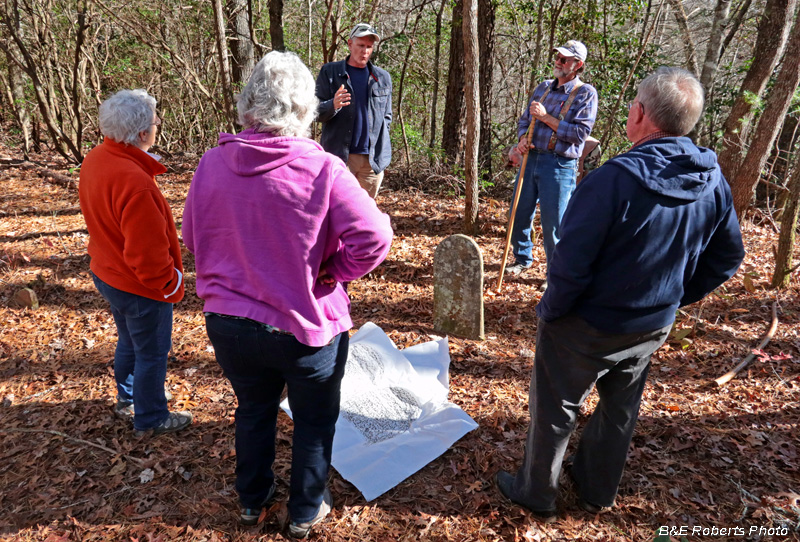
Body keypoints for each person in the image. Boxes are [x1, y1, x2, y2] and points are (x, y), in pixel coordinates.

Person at [496, 67, 745, 521]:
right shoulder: (713, 181)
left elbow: (570, 262)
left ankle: (537, 493)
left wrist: (551, 311)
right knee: (619, 410)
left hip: (587, 325)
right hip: (650, 323)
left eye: (633, 104)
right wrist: (674, 296)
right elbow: (727, 256)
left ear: (641, 114)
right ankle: (595, 490)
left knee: (556, 410)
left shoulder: (613, 179)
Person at [183, 51, 393, 538]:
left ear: (248, 106)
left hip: (230, 324)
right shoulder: (323, 169)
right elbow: (375, 239)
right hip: (305, 327)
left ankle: (250, 500)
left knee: (253, 409)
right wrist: (332, 272)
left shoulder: (212, 164)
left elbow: (193, 240)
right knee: (314, 422)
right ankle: (304, 510)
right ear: (304, 110)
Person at [79, 89, 192, 436]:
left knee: (130, 342)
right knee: (152, 353)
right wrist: (172, 284)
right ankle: (151, 416)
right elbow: (147, 258)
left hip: (108, 272)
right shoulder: (134, 182)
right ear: (143, 134)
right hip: (137, 286)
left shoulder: (97, 157)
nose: (158, 126)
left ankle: (129, 399)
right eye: (156, 122)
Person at [507, 40, 598, 277]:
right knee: (517, 213)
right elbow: (525, 121)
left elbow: (579, 135)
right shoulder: (543, 88)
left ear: (578, 65)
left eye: (564, 59)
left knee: (554, 225)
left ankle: (555, 275)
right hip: (531, 159)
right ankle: (522, 257)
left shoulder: (585, 94)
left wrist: (547, 118)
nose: (558, 62)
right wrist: (522, 139)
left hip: (559, 165)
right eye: (557, 57)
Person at [315, 23, 392, 198]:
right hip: (341, 157)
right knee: (337, 209)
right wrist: (332, 105)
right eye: (361, 45)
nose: (365, 51)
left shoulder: (382, 77)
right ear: (350, 44)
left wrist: (381, 143)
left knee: (364, 213)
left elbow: (387, 117)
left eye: (369, 47)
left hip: (372, 161)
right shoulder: (330, 72)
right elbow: (314, 111)